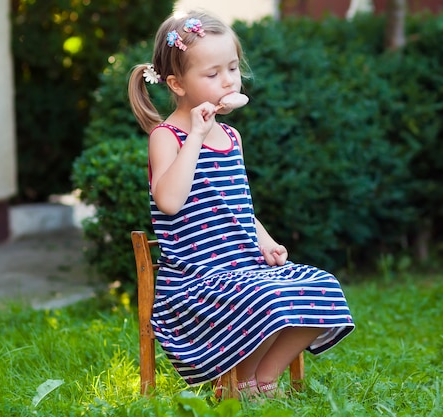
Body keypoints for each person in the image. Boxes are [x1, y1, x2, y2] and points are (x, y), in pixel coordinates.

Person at [128, 10, 354, 399]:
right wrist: (196, 136)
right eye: (212, 74)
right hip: (196, 280)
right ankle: (234, 385)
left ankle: (260, 380)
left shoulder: (231, 136)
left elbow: (238, 206)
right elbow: (169, 202)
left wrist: (264, 240)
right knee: (265, 298)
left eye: (232, 68)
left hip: (243, 267)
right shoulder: (168, 136)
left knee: (322, 286)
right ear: (177, 84)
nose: (228, 80)